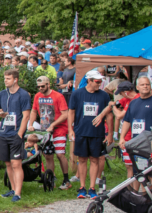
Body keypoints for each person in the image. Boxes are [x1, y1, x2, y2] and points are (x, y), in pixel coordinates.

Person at [67, 70, 114, 199]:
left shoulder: (104, 95)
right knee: (82, 159)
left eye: (101, 81)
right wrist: (70, 130)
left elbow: (109, 115)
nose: (100, 84)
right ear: (89, 80)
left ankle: (92, 187)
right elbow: (71, 112)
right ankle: (82, 187)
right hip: (81, 131)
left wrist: (110, 133)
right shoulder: (77, 94)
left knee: (95, 159)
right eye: (97, 81)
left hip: (97, 133)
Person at [0, 69, 32, 202]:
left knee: (16, 164)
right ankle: (13, 188)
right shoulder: (1, 94)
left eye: (8, 79)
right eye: (5, 78)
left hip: (16, 134)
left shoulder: (23, 95)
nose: (5, 81)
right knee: (8, 164)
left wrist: (20, 134)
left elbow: (26, 116)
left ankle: (18, 193)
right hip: (4, 132)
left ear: (15, 79)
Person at [31, 75, 71, 189]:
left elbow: (65, 114)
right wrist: (30, 124)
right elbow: (34, 111)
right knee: (48, 155)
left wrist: (53, 124)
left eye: (42, 86)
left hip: (59, 129)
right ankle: (50, 178)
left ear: (48, 84)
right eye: (38, 87)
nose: (40, 89)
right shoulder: (37, 96)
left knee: (60, 154)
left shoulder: (58, 96)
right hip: (45, 129)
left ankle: (66, 179)